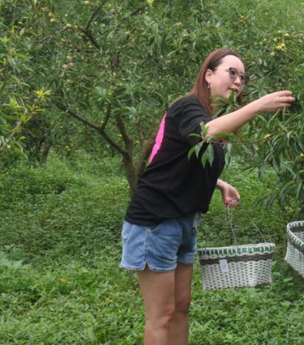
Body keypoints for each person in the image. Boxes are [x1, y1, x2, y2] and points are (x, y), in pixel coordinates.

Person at [121, 48, 294, 345]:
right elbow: (205, 133)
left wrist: (219, 183)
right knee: (161, 315)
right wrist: (258, 106)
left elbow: (172, 158)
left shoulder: (207, 115)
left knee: (181, 307)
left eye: (243, 76)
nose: (239, 81)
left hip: (185, 223)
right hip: (156, 222)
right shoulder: (187, 107)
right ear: (208, 74)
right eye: (232, 72)